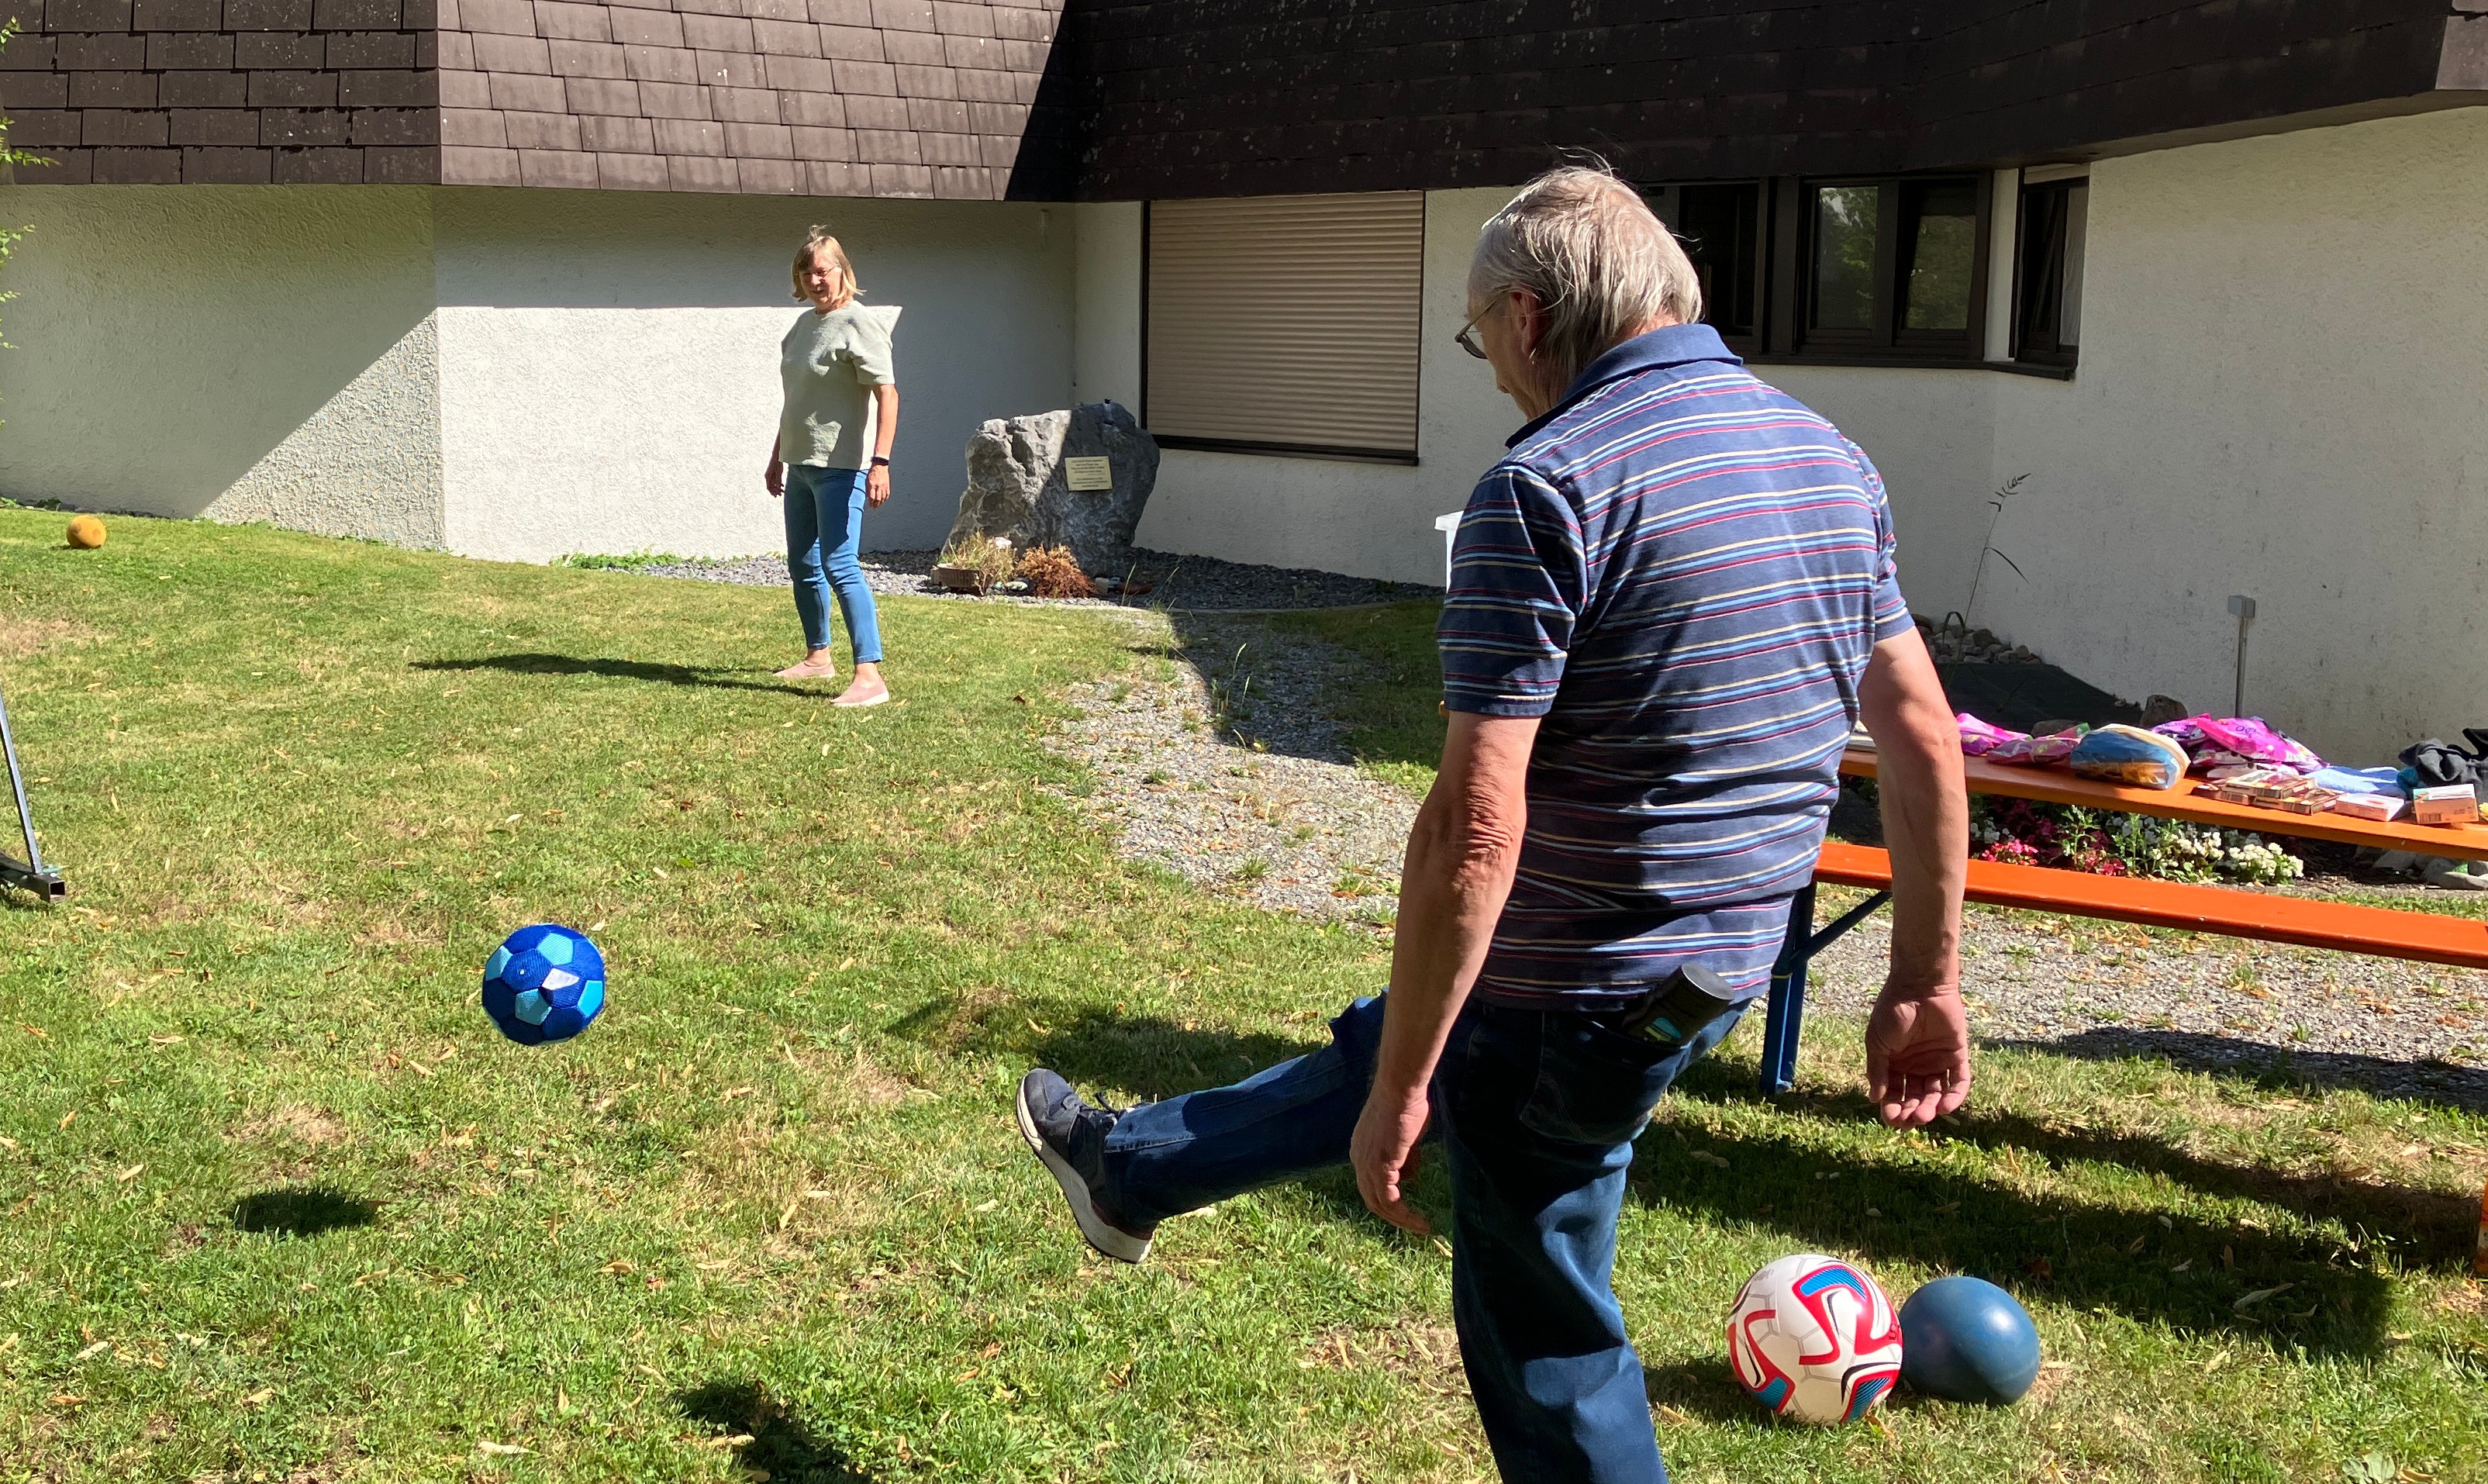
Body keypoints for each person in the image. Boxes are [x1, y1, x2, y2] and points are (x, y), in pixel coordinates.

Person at [1013, 167, 1972, 1482]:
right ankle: (1130, 1169)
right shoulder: (1825, 456)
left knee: (1543, 1332)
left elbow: (1473, 827)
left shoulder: (1547, 487)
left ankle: (1165, 1160)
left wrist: (1405, 1092)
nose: (1495, 375)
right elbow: (1922, 731)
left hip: (1575, 993)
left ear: (1528, 316)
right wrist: (1923, 976)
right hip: (1716, 967)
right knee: (1408, 1034)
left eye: (1479, 343)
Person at [768, 226, 897, 708]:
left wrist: (880, 462)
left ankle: (870, 676)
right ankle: (818, 657)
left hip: (841, 468)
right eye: (807, 273)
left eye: (823, 271)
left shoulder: (859, 323)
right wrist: (777, 456)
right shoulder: (802, 327)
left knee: (840, 565)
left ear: (843, 271)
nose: (815, 280)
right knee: (803, 564)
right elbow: (796, 400)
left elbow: (888, 395)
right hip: (799, 464)